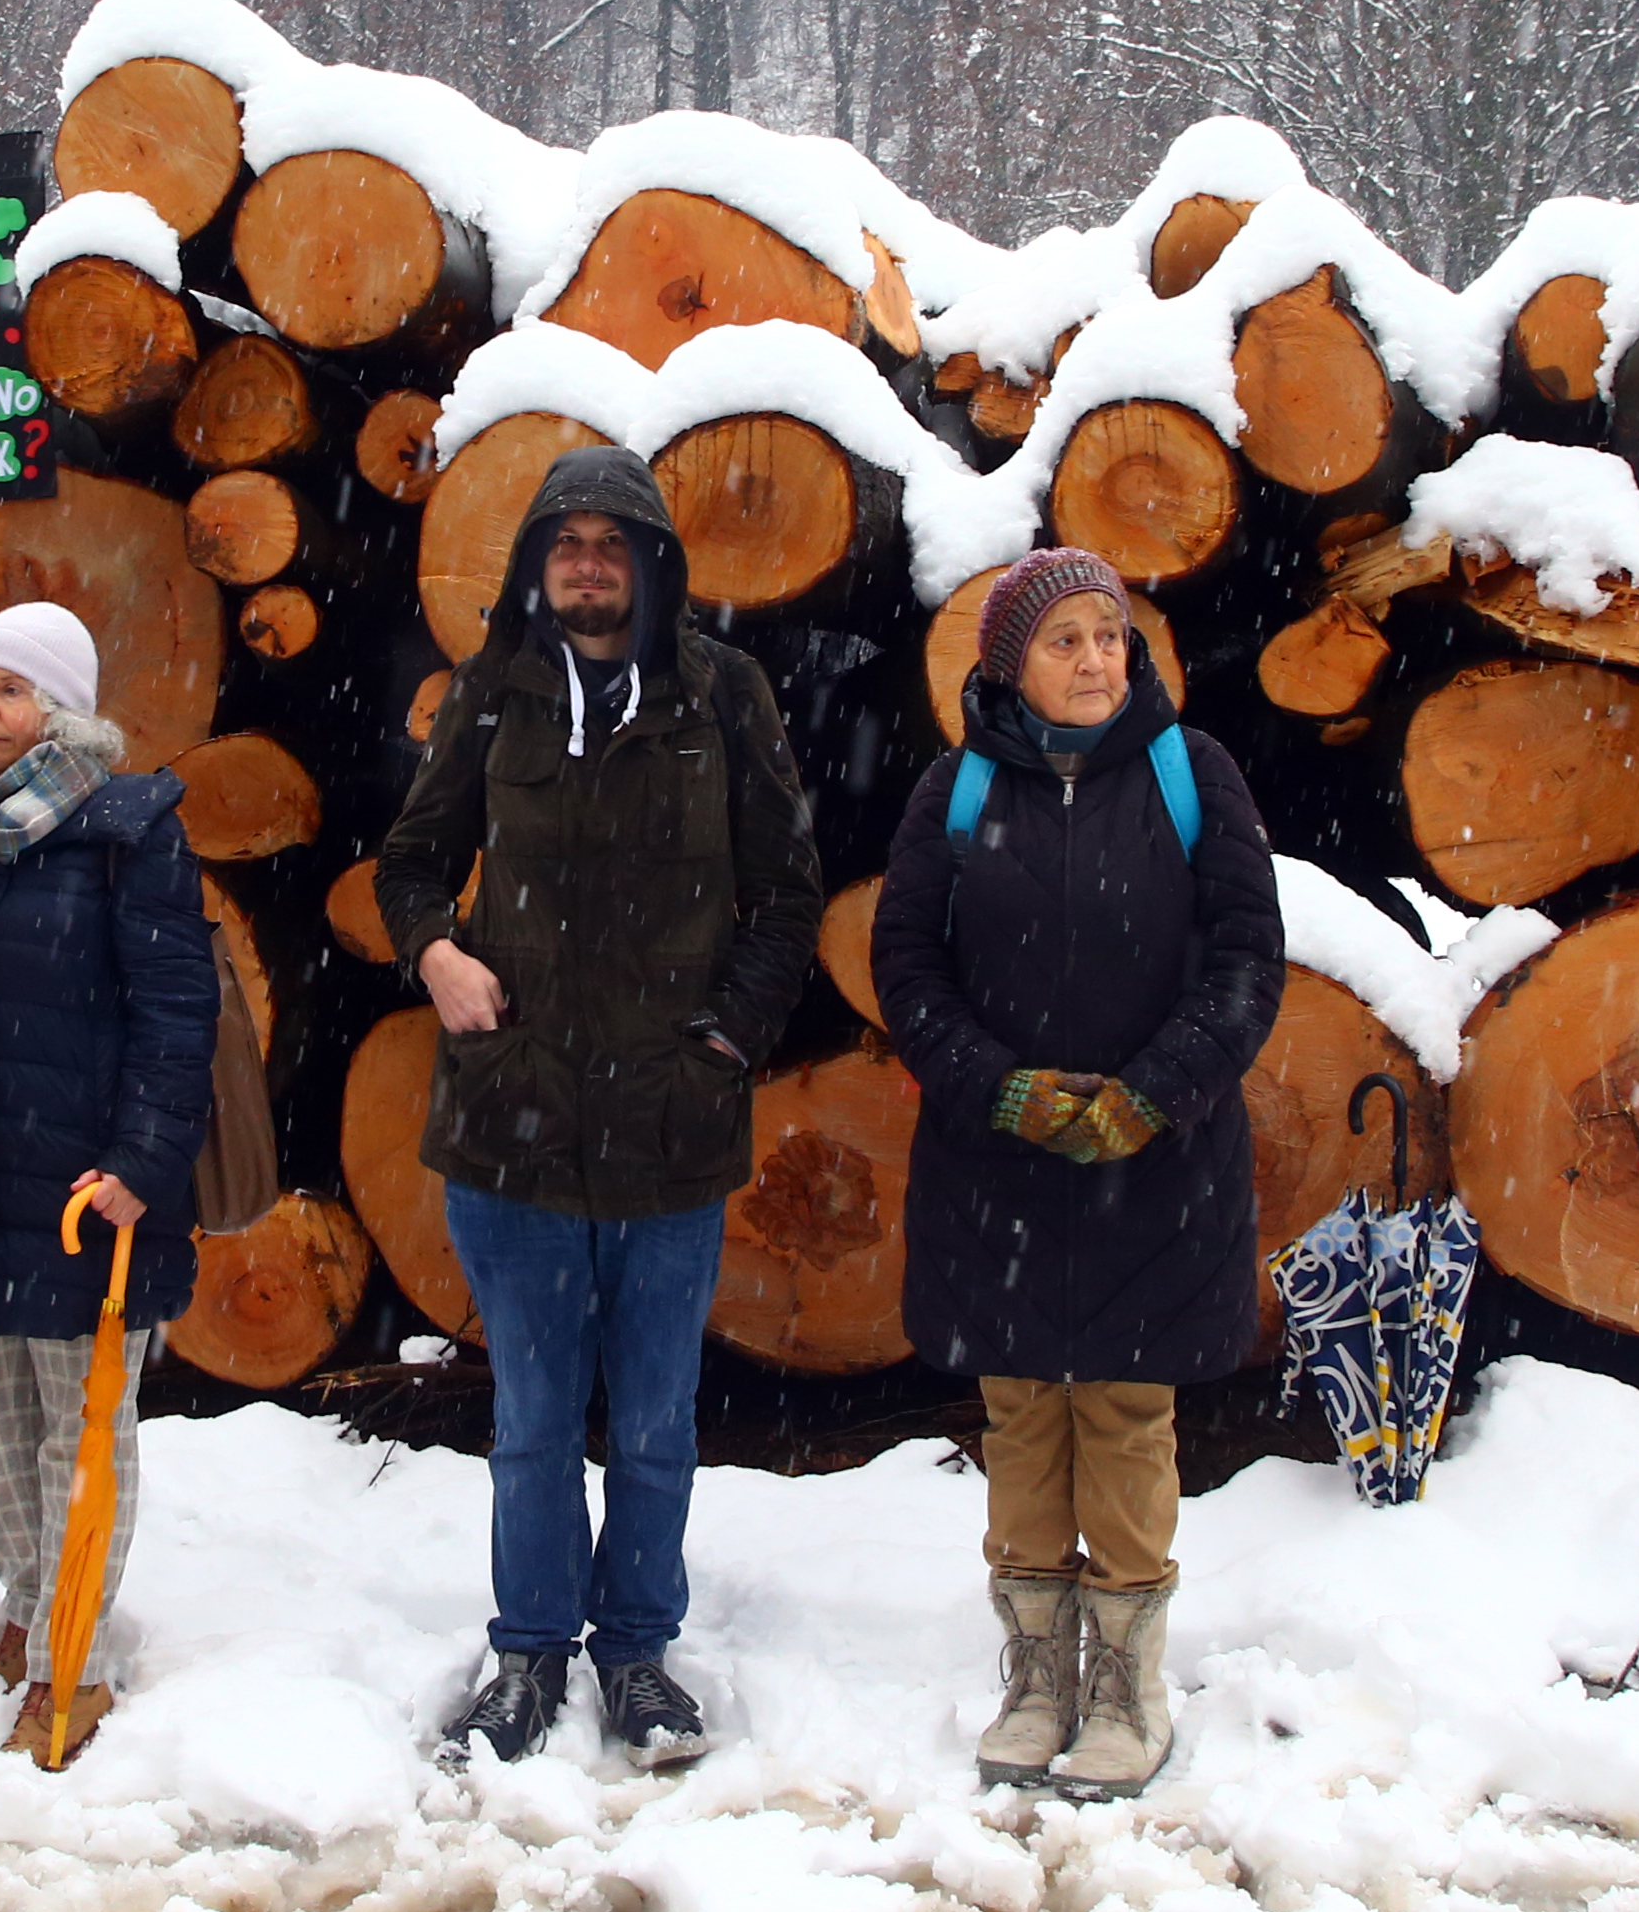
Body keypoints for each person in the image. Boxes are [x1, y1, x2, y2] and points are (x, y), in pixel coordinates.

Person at [371, 445, 820, 1770]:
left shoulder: (719, 694)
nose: (585, 561)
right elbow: (408, 863)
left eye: (609, 541)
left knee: (658, 1422)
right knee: (530, 1419)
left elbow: (789, 891)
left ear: (650, 561)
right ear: (537, 563)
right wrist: (436, 956)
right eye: (563, 541)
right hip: (509, 1122)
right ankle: (527, 1650)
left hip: (670, 1127)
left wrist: (728, 1037)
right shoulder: (496, 698)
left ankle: (636, 1654)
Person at [873, 547, 1285, 1798]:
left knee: (1121, 1416)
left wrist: (1150, 1096)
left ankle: (1127, 1683)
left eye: (1111, 635)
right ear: (1012, 666)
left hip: (1153, 1169)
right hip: (996, 1167)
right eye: (1067, 641)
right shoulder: (957, 790)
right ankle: (1038, 1672)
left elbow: (1247, 960)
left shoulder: (1190, 777)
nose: (1098, 659)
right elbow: (906, 966)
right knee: (1021, 1418)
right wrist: (996, 1085)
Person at [0, 601, 217, 1758]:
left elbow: (176, 1016)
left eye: (14, 688)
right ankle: (31, 1603)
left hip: (80, 1195)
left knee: (82, 1434)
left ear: (63, 706)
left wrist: (142, 1162)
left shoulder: (128, 831)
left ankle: (76, 1662)